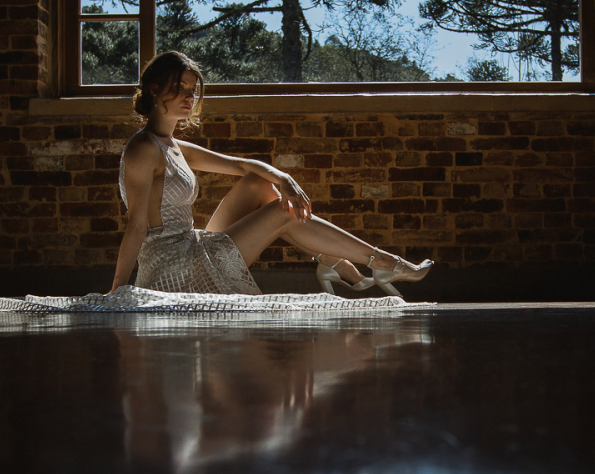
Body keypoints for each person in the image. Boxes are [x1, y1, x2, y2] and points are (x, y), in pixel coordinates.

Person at [109, 51, 434, 299]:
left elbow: (241, 165)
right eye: (179, 88)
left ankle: (333, 260)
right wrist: (118, 292)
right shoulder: (143, 150)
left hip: (190, 245)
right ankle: (383, 262)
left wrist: (284, 179)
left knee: (258, 183)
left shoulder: (173, 145)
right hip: (172, 270)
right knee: (283, 210)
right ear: (154, 89)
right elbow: (137, 225)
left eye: (193, 91)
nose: (188, 98)